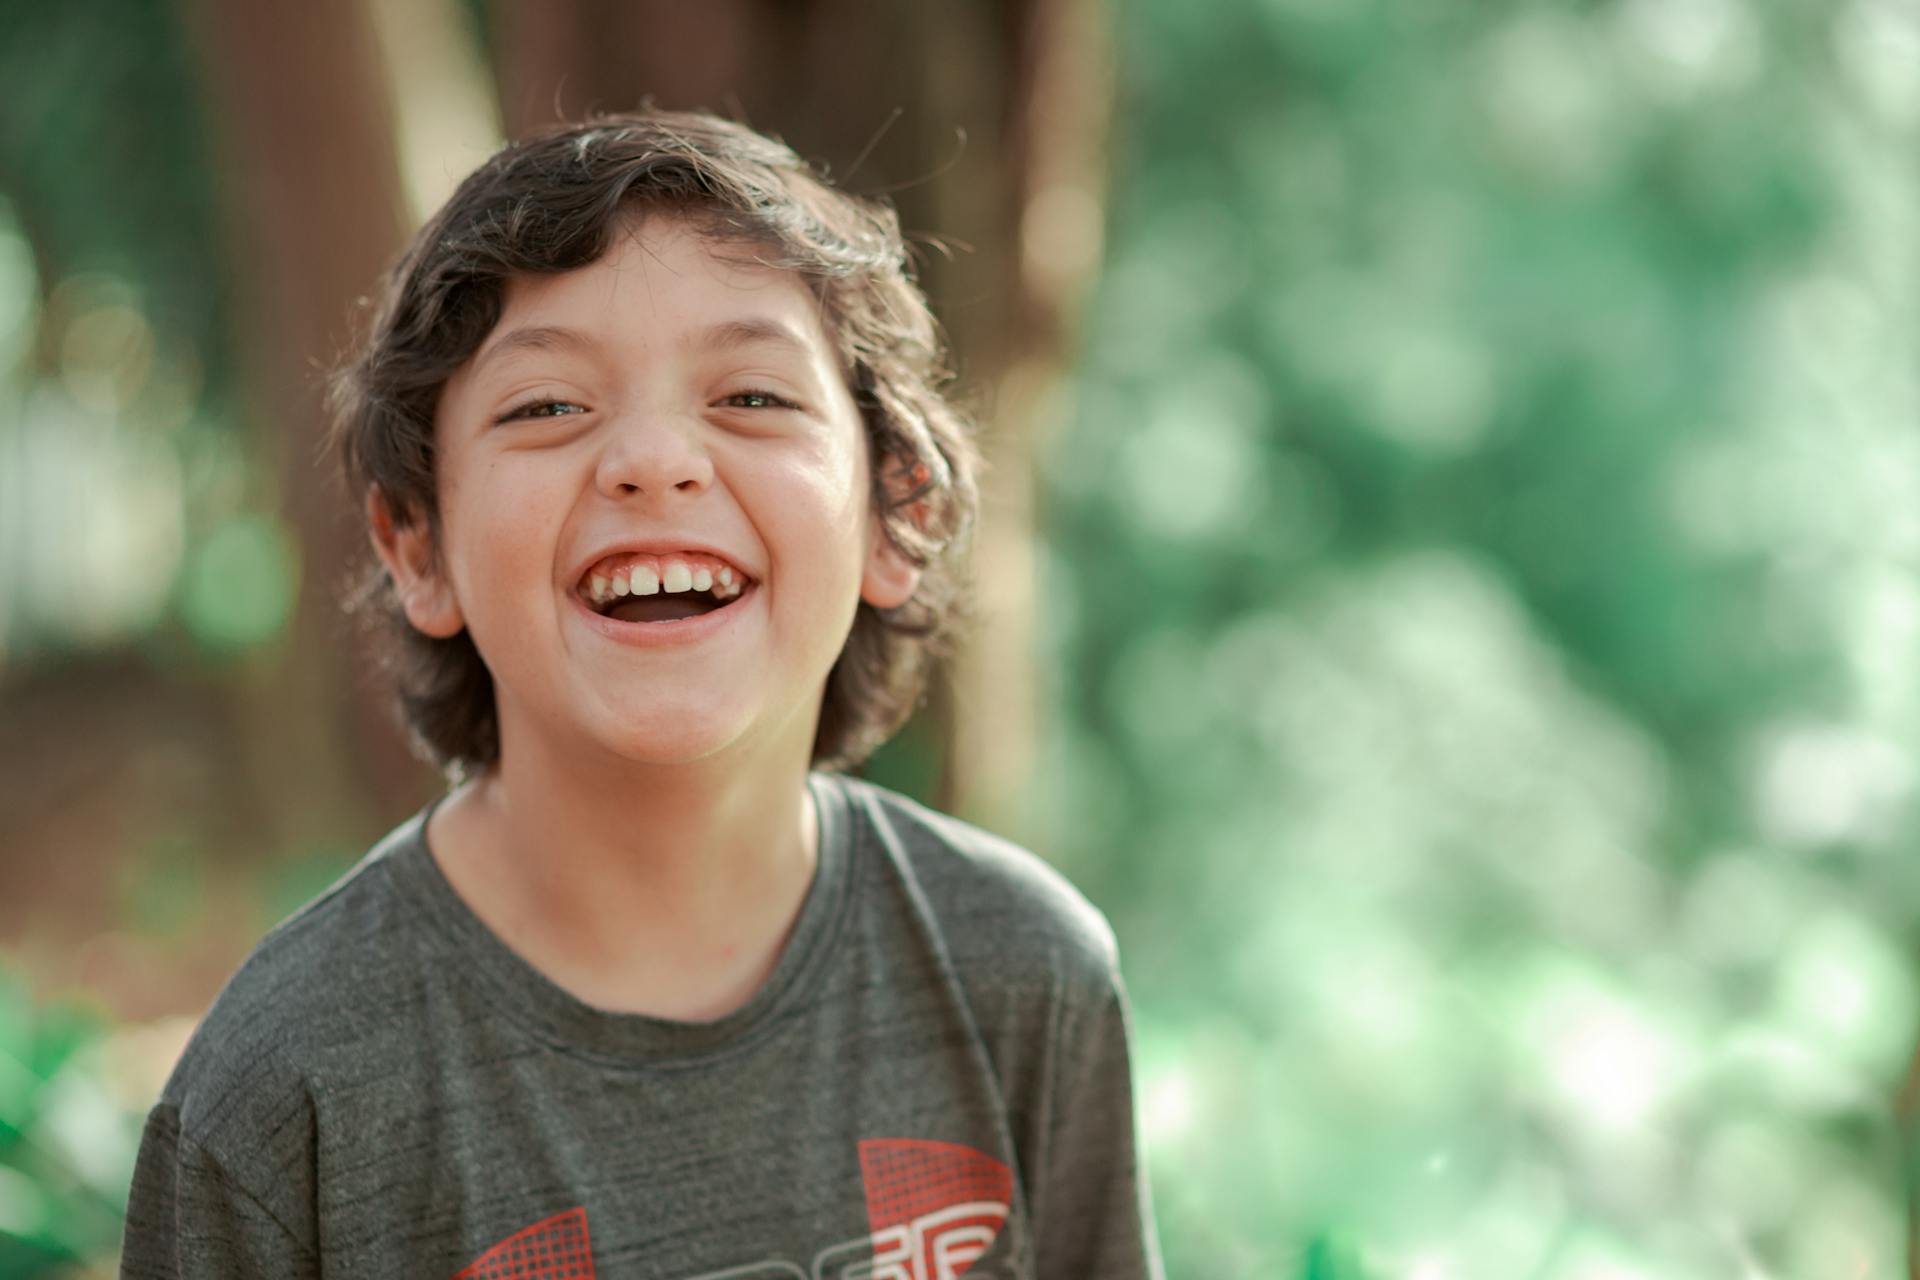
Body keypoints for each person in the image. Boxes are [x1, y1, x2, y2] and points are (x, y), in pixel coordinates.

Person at [118, 109, 1163, 1279]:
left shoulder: (1024, 974)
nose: (654, 459)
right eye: (548, 406)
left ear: (894, 512)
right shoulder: (287, 1090)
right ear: (418, 545)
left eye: (755, 396)